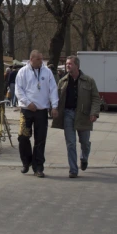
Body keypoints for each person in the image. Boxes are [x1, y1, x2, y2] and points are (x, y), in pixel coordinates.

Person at [52, 56, 102, 178]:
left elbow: (96, 98)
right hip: (68, 114)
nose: (67, 65)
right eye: (67, 64)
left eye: (70, 64)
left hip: (84, 115)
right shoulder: (62, 81)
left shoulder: (89, 80)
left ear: (77, 66)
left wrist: (94, 113)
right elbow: (57, 98)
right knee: (70, 143)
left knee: (84, 142)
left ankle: (84, 158)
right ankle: (73, 170)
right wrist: (54, 109)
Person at [15, 50, 59, 178]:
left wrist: (54, 106)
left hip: (41, 111)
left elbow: (53, 89)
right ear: (31, 59)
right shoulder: (23, 72)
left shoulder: (47, 72)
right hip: (26, 110)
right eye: (39, 59)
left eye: (42, 59)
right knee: (23, 137)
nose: (42, 61)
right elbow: (18, 90)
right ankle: (26, 161)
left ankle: (38, 167)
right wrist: (27, 103)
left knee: (40, 140)